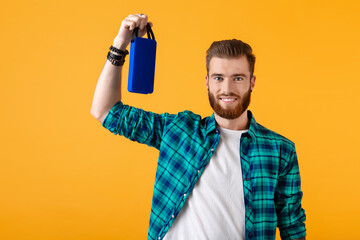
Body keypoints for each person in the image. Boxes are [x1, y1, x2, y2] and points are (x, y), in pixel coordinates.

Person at [91, 13, 306, 240]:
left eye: (238, 78)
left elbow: (292, 226)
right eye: (218, 78)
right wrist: (120, 44)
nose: (227, 88)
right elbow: (105, 111)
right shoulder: (178, 131)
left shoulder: (279, 150)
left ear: (252, 82)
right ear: (207, 81)